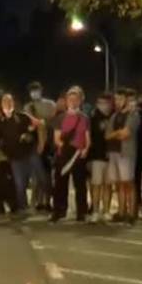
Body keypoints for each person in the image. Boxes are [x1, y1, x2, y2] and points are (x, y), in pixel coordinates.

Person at [0, 92, 44, 217]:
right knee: (19, 184)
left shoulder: (22, 116)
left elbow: (39, 124)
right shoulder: (0, 122)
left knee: (41, 178)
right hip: (15, 158)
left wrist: (37, 140)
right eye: (5, 102)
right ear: (1, 105)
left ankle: (42, 203)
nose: (8, 104)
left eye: (10, 101)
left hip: (29, 153)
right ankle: (23, 207)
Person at [51, 86, 91, 222]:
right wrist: (65, 146)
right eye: (70, 99)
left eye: (76, 100)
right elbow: (56, 138)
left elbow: (87, 138)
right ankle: (58, 211)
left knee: (80, 184)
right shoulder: (60, 118)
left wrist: (85, 150)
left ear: (80, 101)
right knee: (60, 184)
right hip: (64, 154)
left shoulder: (84, 118)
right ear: (66, 101)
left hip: (78, 154)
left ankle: (81, 212)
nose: (73, 102)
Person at [104, 88, 140, 223]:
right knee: (119, 183)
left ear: (126, 99)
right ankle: (121, 211)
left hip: (126, 153)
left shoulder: (133, 115)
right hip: (114, 152)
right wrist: (117, 133)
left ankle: (131, 213)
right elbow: (107, 136)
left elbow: (126, 133)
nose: (118, 102)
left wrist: (116, 133)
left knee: (128, 183)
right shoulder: (114, 116)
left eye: (120, 99)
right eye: (116, 99)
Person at [24, 82, 56, 211]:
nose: (34, 93)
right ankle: (37, 201)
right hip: (34, 144)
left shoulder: (50, 105)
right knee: (36, 175)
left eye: (36, 90)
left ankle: (47, 201)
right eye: (32, 90)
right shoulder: (28, 107)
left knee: (47, 175)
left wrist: (44, 122)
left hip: (49, 143)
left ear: (41, 90)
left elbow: (54, 121)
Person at [87, 93, 113, 222]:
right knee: (96, 185)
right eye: (101, 103)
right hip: (96, 156)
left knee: (107, 185)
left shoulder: (113, 115)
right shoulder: (93, 117)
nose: (104, 106)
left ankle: (107, 210)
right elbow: (90, 138)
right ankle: (95, 210)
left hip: (111, 156)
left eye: (107, 103)